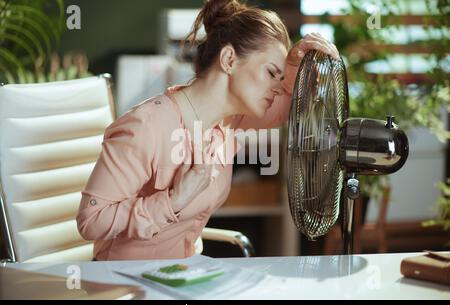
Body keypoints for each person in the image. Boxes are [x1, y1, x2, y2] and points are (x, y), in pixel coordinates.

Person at [76, 0, 340, 260]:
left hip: (184, 276)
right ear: (228, 59)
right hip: (127, 283)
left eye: (279, 79)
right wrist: (175, 200)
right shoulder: (147, 126)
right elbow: (91, 220)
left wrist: (295, 72)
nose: (276, 87)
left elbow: (286, 110)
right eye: (271, 73)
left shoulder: (228, 121)